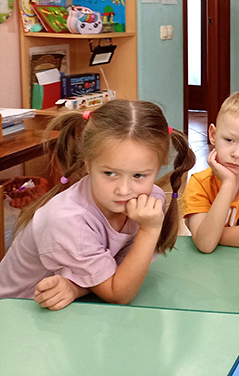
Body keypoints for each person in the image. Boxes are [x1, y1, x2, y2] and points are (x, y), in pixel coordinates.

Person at [0, 100, 195, 310]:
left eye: (139, 175)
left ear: (158, 168)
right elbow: (118, 294)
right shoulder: (68, 220)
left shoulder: (149, 202)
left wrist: (76, 289)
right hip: (16, 313)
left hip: (74, 310)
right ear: (88, 163)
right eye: (110, 173)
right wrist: (149, 230)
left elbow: (119, 271)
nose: (124, 190)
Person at [182, 90, 239, 253]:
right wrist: (228, 183)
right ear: (213, 135)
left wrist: (209, 235)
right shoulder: (199, 184)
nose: (237, 154)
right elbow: (205, 245)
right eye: (229, 140)